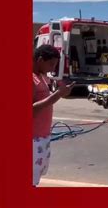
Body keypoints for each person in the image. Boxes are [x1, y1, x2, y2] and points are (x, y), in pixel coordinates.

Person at [33, 45, 75, 186]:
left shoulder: (42, 76)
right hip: (32, 139)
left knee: (35, 178)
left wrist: (59, 93)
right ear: (40, 60)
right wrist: (57, 94)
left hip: (42, 136)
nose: (52, 68)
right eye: (51, 64)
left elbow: (45, 102)